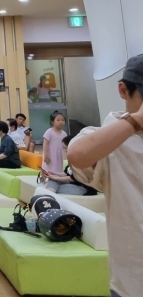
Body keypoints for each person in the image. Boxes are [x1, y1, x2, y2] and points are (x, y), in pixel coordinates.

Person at [67, 54, 143, 297]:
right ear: (123, 90)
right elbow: (78, 155)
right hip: (133, 283)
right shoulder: (110, 140)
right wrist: (135, 121)